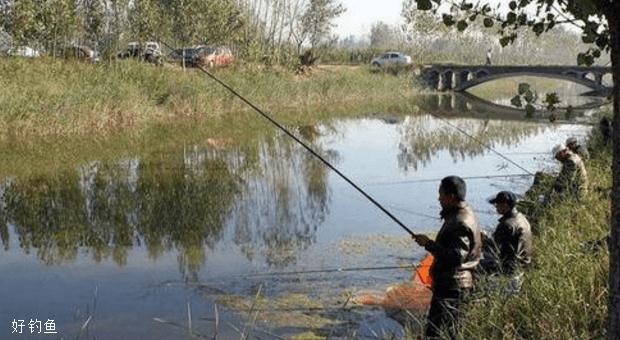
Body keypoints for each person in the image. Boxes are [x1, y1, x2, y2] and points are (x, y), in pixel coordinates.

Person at [412, 176, 483, 339]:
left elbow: (457, 256)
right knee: (450, 332)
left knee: (438, 334)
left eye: (441, 194)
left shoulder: (460, 221)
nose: (439, 198)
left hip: (452, 287)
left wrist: (429, 244)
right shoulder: (465, 212)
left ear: (451, 196)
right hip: (455, 284)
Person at [480, 191, 533, 277]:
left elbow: (495, 250)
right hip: (523, 265)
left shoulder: (507, 224)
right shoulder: (522, 218)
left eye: (498, 204)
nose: (496, 207)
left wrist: (483, 238)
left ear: (505, 205)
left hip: (511, 268)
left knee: (474, 266)